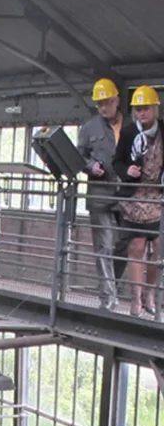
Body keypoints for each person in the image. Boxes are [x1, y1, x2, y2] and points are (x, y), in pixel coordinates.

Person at [113, 85, 164, 317]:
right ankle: (135, 299)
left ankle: (150, 296)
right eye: (138, 109)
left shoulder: (163, 130)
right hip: (134, 197)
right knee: (137, 246)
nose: (142, 113)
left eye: (146, 109)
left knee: (158, 250)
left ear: (155, 108)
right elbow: (117, 162)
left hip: (158, 196)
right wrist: (127, 171)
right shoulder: (128, 132)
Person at [77, 78, 124, 310]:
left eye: (106, 102)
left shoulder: (132, 126)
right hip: (99, 194)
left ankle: (113, 288)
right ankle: (108, 297)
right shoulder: (89, 128)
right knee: (104, 245)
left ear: (117, 100)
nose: (103, 108)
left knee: (126, 243)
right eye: (99, 104)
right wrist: (89, 166)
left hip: (126, 194)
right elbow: (78, 157)